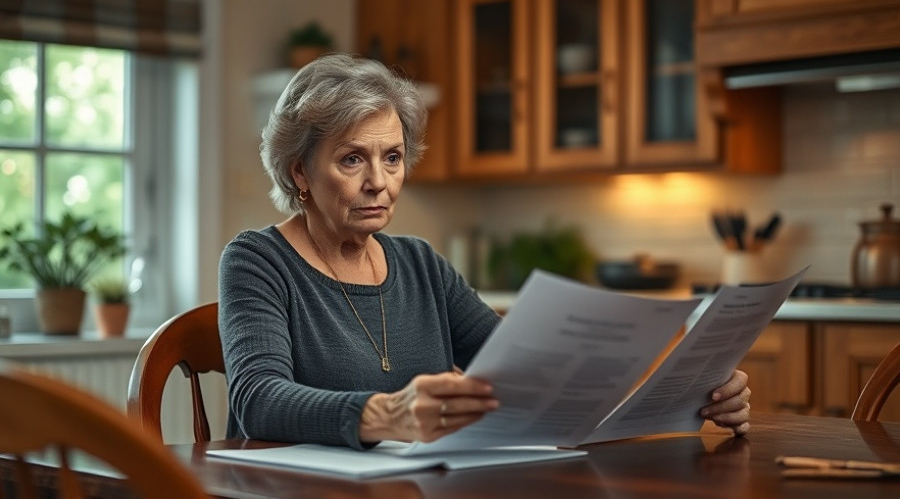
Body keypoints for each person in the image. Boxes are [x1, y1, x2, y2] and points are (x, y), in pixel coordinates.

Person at [218, 53, 751, 450]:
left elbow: (526, 375)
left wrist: (687, 394)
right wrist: (388, 414)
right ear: (300, 172)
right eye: (352, 159)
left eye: (393, 158)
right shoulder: (257, 261)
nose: (379, 181)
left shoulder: (420, 264)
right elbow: (258, 399)